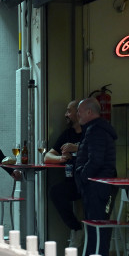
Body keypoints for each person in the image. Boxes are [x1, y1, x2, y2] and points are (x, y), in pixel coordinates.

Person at [74, 96, 118, 256]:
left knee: (96, 227)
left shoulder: (95, 131)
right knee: (98, 226)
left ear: (89, 112)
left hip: (97, 186)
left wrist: (83, 177)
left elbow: (96, 160)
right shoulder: (99, 129)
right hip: (100, 185)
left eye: (79, 111)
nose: (78, 115)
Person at [47, 100, 85, 243]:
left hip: (89, 182)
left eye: (69, 111)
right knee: (55, 192)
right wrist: (61, 158)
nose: (65, 115)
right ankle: (76, 228)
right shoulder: (67, 134)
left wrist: (76, 148)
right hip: (72, 181)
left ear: (79, 112)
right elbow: (47, 156)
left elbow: (95, 150)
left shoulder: (90, 132)